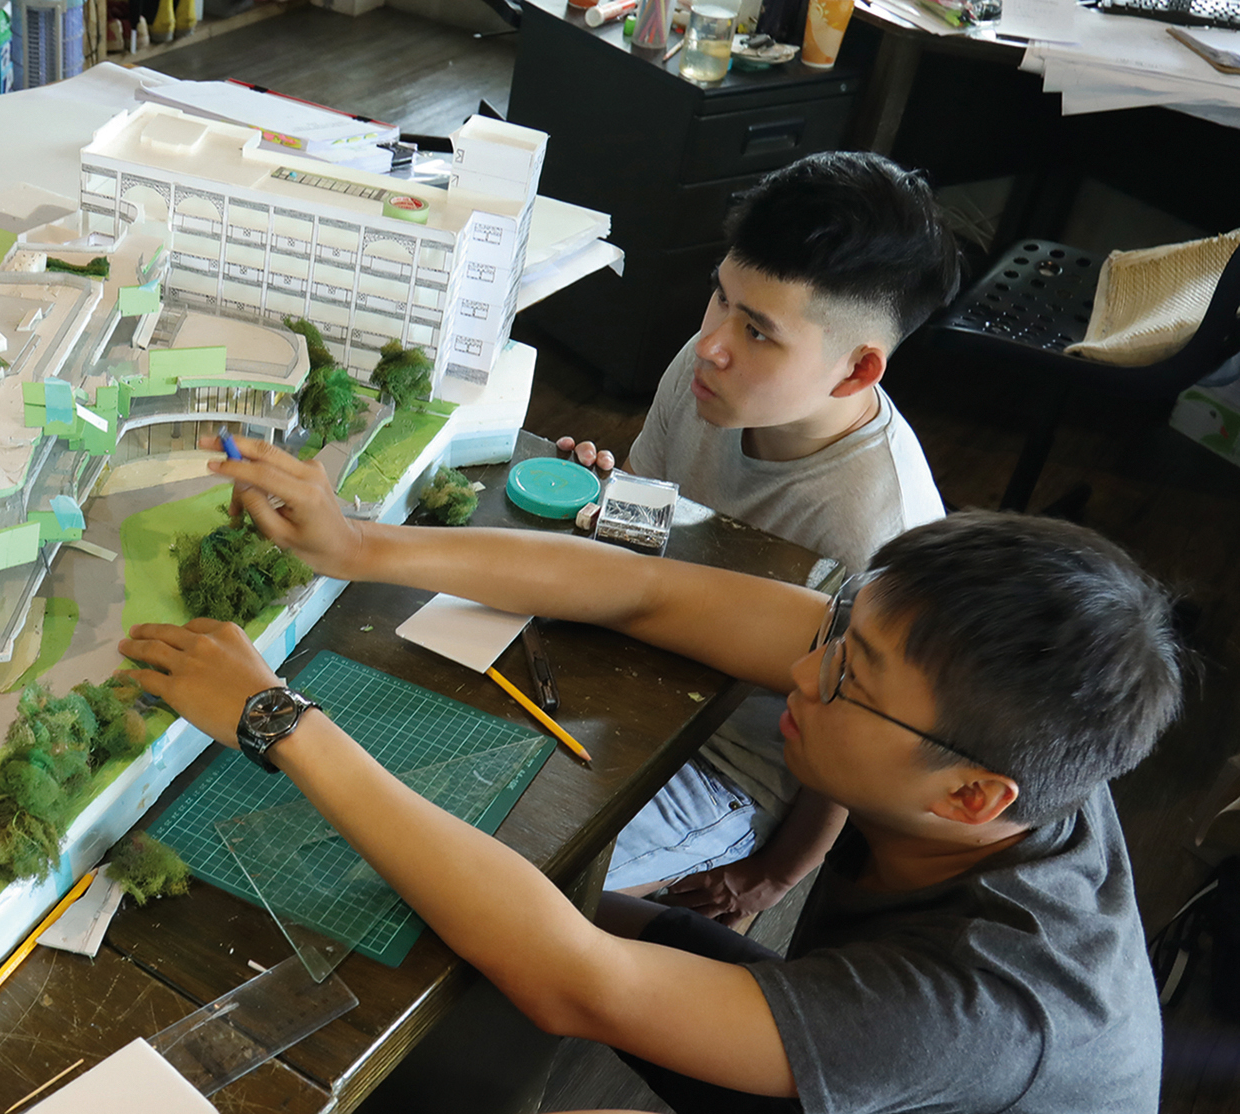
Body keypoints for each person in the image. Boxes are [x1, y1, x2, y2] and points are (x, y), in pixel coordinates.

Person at [121, 443, 1181, 1114]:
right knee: (526, 909)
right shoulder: (1005, 731)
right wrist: (359, 545)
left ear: (970, 798)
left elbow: (574, 982)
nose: (802, 670)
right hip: (897, 1069)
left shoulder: (972, 1007)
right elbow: (645, 592)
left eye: (847, 677)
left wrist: (278, 720)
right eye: (837, 632)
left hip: (917, 1066)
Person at [561, 152, 962, 918]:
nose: (711, 342)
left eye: (756, 331)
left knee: (501, 870)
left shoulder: (878, 531)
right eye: (720, 296)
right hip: (640, 664)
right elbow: (640, 518)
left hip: (728, 765)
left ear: (855, 372)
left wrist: (775, 874)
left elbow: (856, 750)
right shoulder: (708, 373)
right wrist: (585, 504)